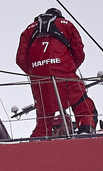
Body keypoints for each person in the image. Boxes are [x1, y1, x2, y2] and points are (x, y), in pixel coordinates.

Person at [16, 8, 97, 137]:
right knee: (84, 107)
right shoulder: (67, 25)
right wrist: (67, 68)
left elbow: (20, 59)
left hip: (40, 80)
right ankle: (86, 131)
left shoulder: (28, 30)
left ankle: (38, 139)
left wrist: (35, 73)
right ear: (59, 15)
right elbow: (79, 53)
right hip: (64, 75)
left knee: (44, 116)